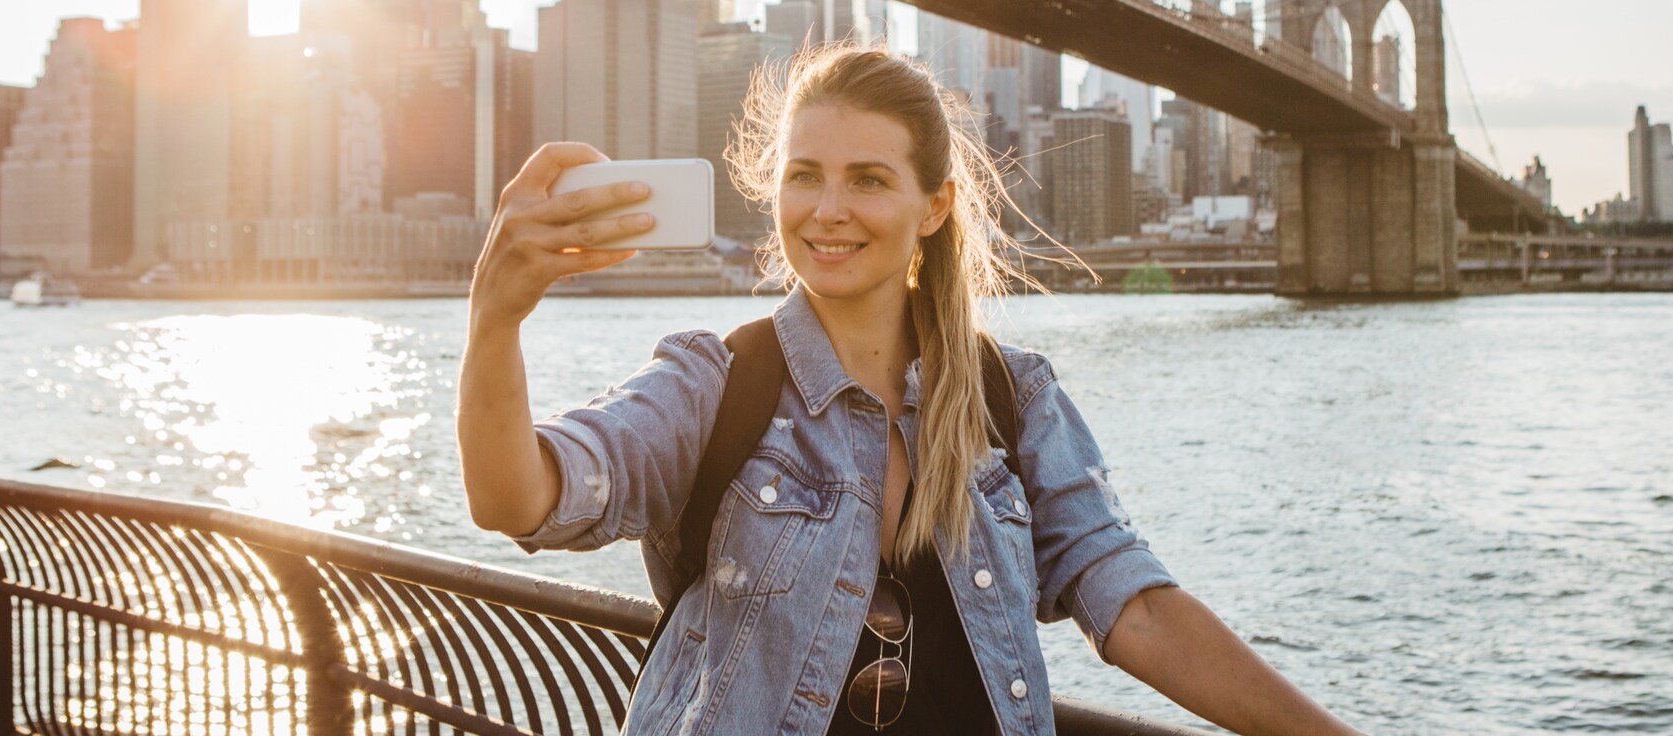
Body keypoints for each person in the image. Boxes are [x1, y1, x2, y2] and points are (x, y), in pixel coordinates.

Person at [459, 44, 1367, 736]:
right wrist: (494, 322)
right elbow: (519, 496)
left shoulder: (1014, 400)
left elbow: (1132, 605)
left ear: (932, 207)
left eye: (868, 180)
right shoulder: (716, 385)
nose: (828, 210)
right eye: (804, 176)